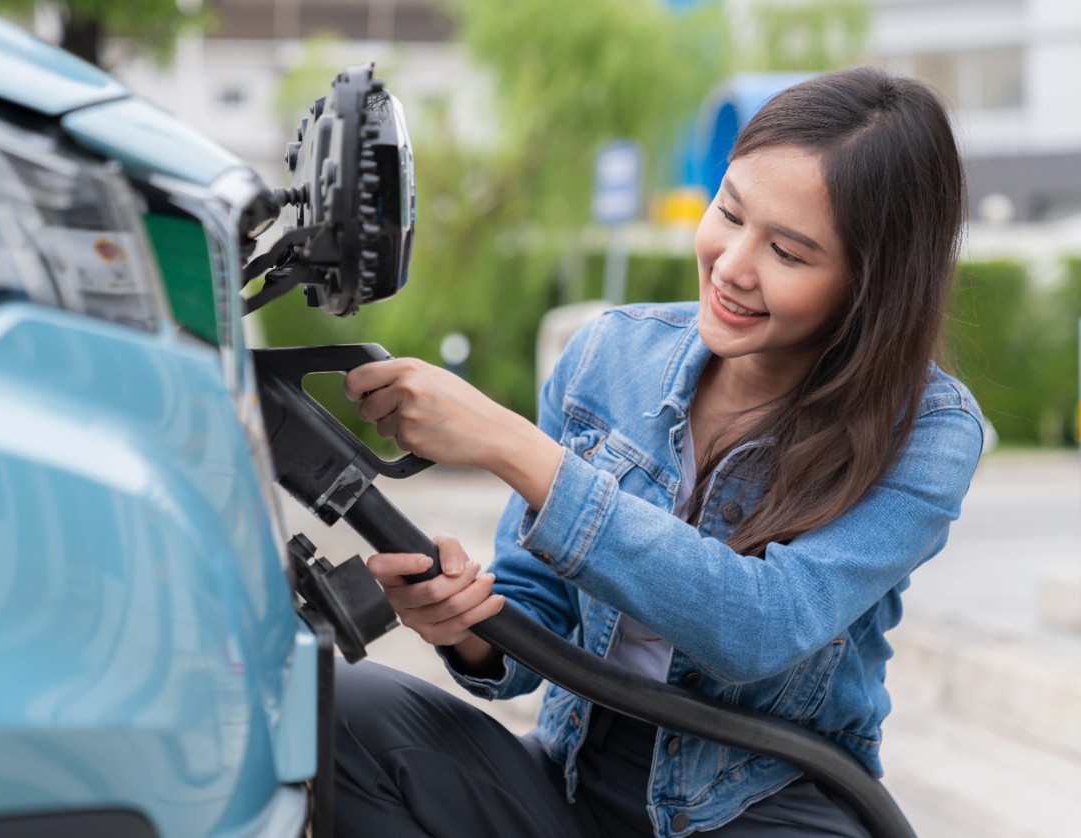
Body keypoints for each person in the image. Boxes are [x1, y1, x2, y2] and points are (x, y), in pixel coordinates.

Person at [332, 66, 984, 837]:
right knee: (341, 710)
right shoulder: (611, 352)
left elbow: (760, 627)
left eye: (789, 251)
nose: (733, 265)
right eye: (729, 213)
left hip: (763, 804)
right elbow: (535, 611)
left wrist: (510, 444)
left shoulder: (928, 431)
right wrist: (466, 628)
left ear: (870, 285)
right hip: (577, 775)